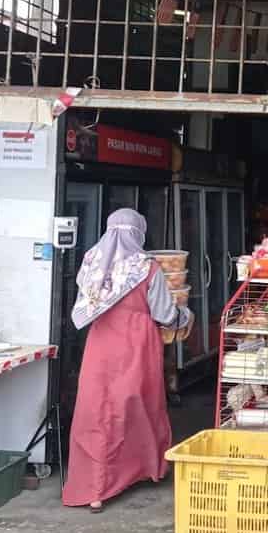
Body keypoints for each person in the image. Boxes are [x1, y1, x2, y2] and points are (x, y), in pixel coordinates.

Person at [62, 209, 191, 512]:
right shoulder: (147, 268)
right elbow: (164, 314)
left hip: (101, 343)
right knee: (137, 405)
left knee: (96, 409)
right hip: (136, 343)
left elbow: (84, 304)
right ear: (138, 233)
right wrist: (184, 316)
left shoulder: (91, 262)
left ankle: (94, 486)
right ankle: (147, 467)